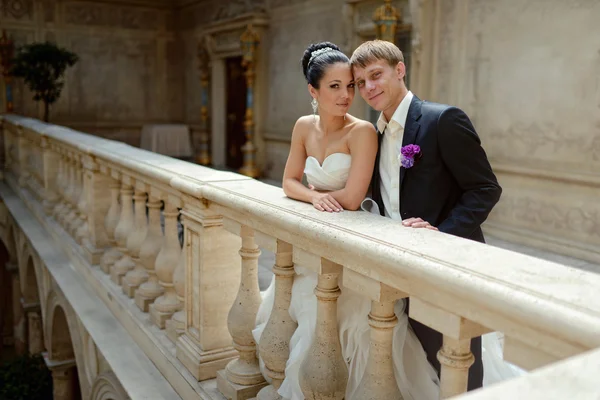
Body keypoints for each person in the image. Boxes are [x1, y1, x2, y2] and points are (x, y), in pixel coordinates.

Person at [350, 39, 503, 391]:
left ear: (400, 70)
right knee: (414, 365)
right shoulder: (372, 134)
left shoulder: (442, 120)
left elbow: (485, 189)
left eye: (376, 75)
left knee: (458, 368)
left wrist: (440, 235)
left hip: (447, 267)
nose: (368, 88)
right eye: (360, 83)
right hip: (395, 269)